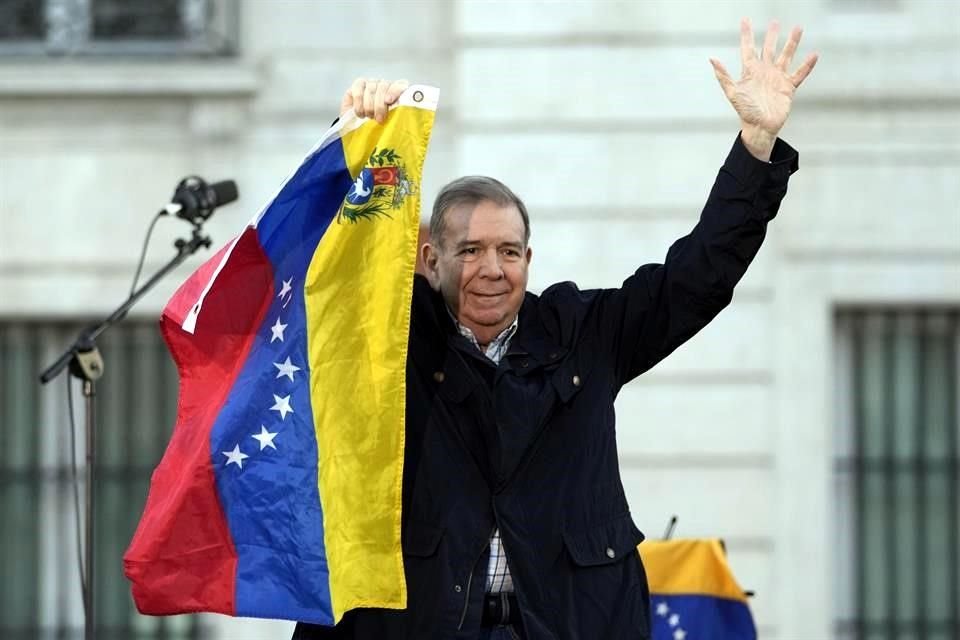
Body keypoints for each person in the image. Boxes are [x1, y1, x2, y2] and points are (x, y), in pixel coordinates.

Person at [294, 17, 817, 640]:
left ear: (528, 261)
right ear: (431, 260)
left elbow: (698, 276)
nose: (493, 269)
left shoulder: (585, 333)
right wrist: (359, 138)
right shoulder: (391, 339)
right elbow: (333, 266)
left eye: (509, 252)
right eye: (471, 251)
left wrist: (756, 145)